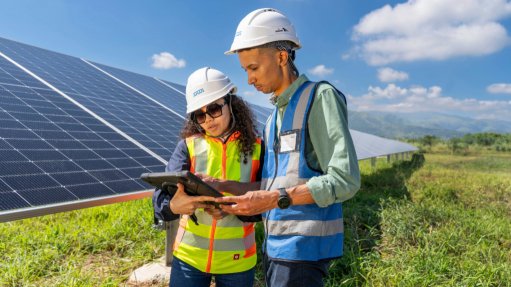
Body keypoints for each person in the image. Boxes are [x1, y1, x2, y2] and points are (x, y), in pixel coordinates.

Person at [214, 8, 361, 287]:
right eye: (245, 70)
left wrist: (271, 200)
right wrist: (229, 190)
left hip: (302, 252)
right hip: (276, 249)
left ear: (282, 57)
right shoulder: (272, 119)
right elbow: (275, 186)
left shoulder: (319, 97)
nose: (249, 79)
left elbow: (346, 180)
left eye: (253, 68)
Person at [153, 67, 263, 287]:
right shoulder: (187, 147)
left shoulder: (258, 148)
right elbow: (159, 201)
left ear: (231, 103)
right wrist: (176, 206)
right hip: (189, 259)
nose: (208, 120)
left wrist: (232, 207)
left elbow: (267, 199)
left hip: (238, 262)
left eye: (214, 109)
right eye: (199, 115)